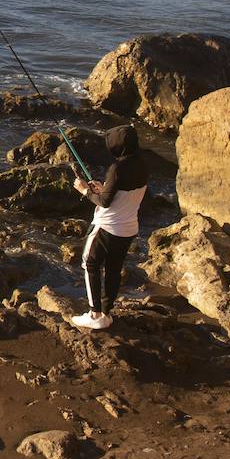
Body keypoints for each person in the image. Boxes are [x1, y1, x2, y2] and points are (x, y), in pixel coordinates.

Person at [72, 124, 148, 330]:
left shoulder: (117, 168)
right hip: (128, 228)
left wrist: (85, 191)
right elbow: (120, 193)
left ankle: (95, 315)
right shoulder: (142, 164)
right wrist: (104, 188)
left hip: (107, 227)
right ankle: (106, 313)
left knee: (90, 264)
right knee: (113, 268)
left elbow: (104, 203)